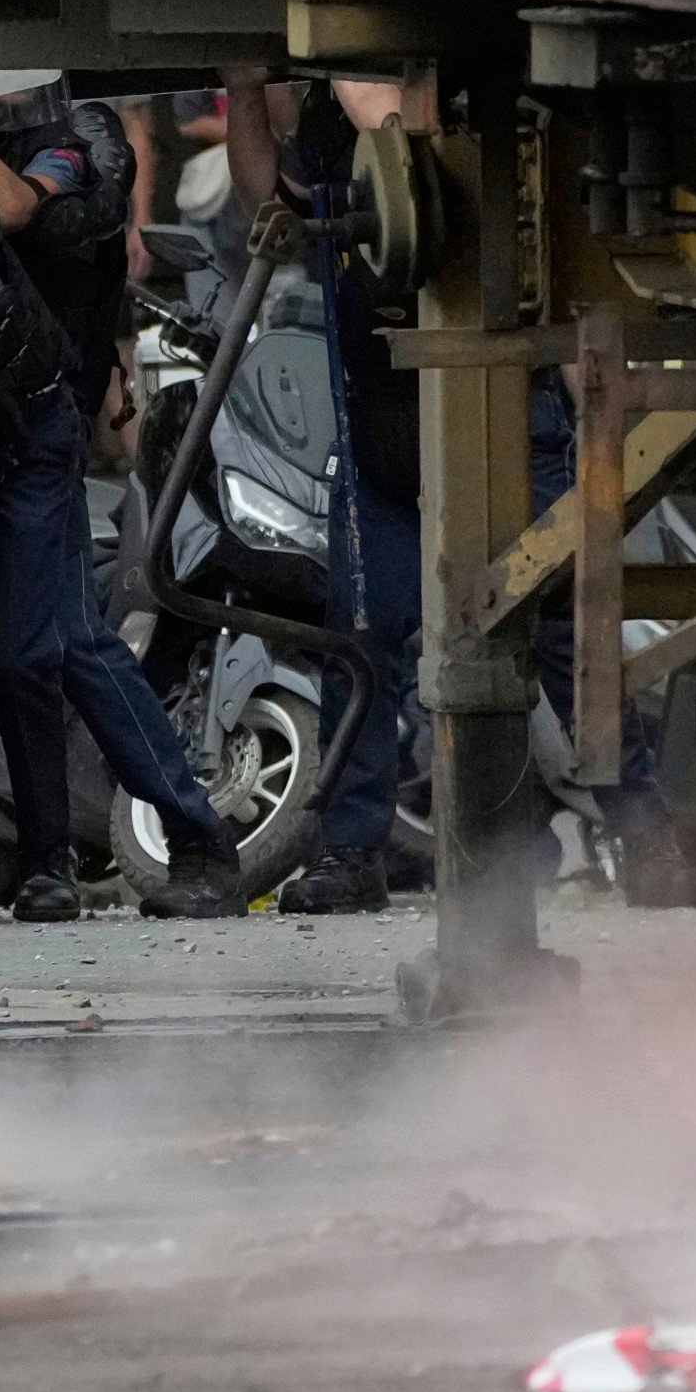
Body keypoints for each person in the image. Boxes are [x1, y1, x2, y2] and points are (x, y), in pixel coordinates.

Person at [0, 109, 247, 919]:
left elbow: (18, 209)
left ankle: (184, 837)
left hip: (33, 419)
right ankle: (10, 861)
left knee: (40, 646)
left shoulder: (76, 134)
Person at [223, 71, 422, 915]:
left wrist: (348, 71)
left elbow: (405, 146)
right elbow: (270, 191)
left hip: (490, 407)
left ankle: (641, 829)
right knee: (360, 638)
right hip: (377, 419)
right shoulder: (325, 120)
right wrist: (240, 83)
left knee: (551, 626)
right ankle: (350, 849)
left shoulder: (410, 98)